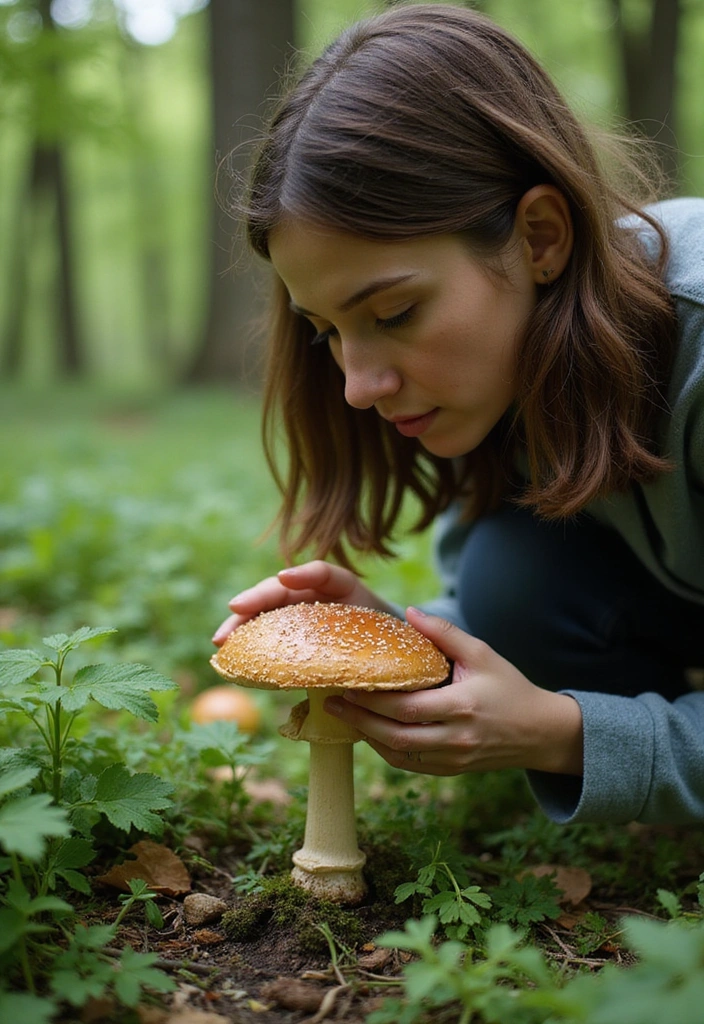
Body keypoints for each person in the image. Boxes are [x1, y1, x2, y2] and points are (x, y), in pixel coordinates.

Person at [212, 3, 704, 826]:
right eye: (327, 331)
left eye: (395, 312)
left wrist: (569, 735)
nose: (356, 386)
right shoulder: (503, 363)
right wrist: (404, 650)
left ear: (540, 237)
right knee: (506, 573)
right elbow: (515, 605)